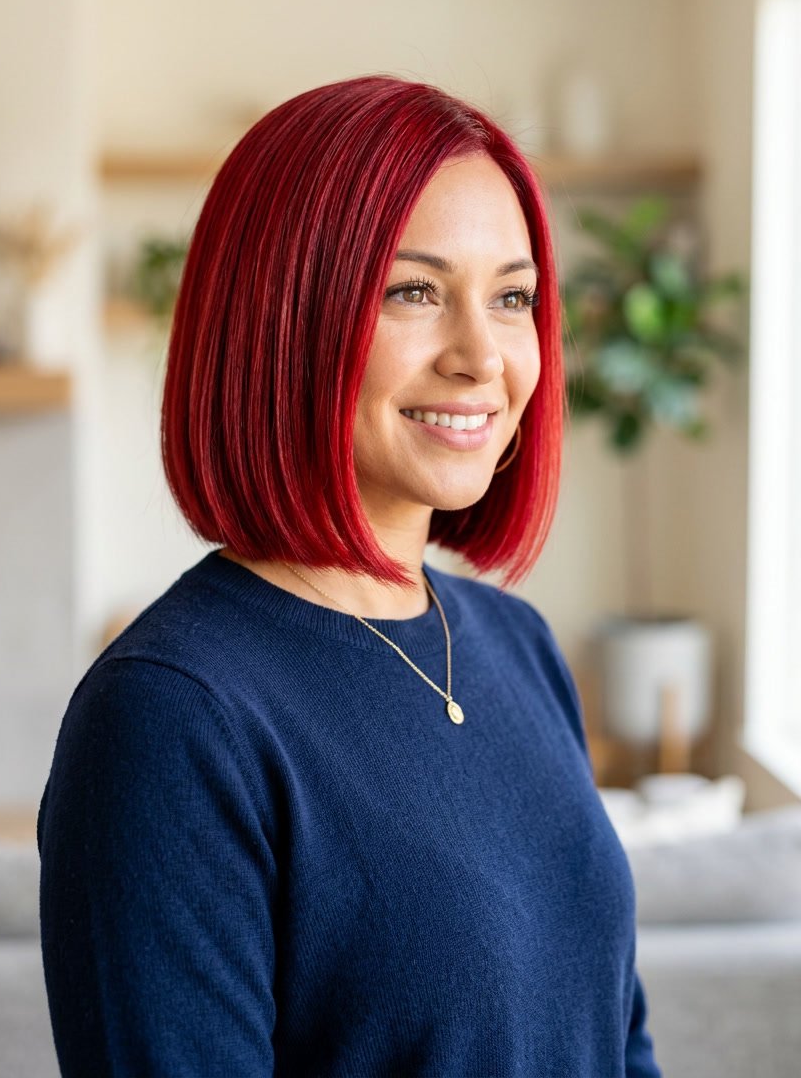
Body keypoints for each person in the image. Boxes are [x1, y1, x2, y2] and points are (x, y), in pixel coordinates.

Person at [37, 74, 662, 1077]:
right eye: (414, 291)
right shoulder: (168, 718)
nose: (481, 356)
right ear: (282, 318)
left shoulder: (518, 645)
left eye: (511, 298)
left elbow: (616, 1038)